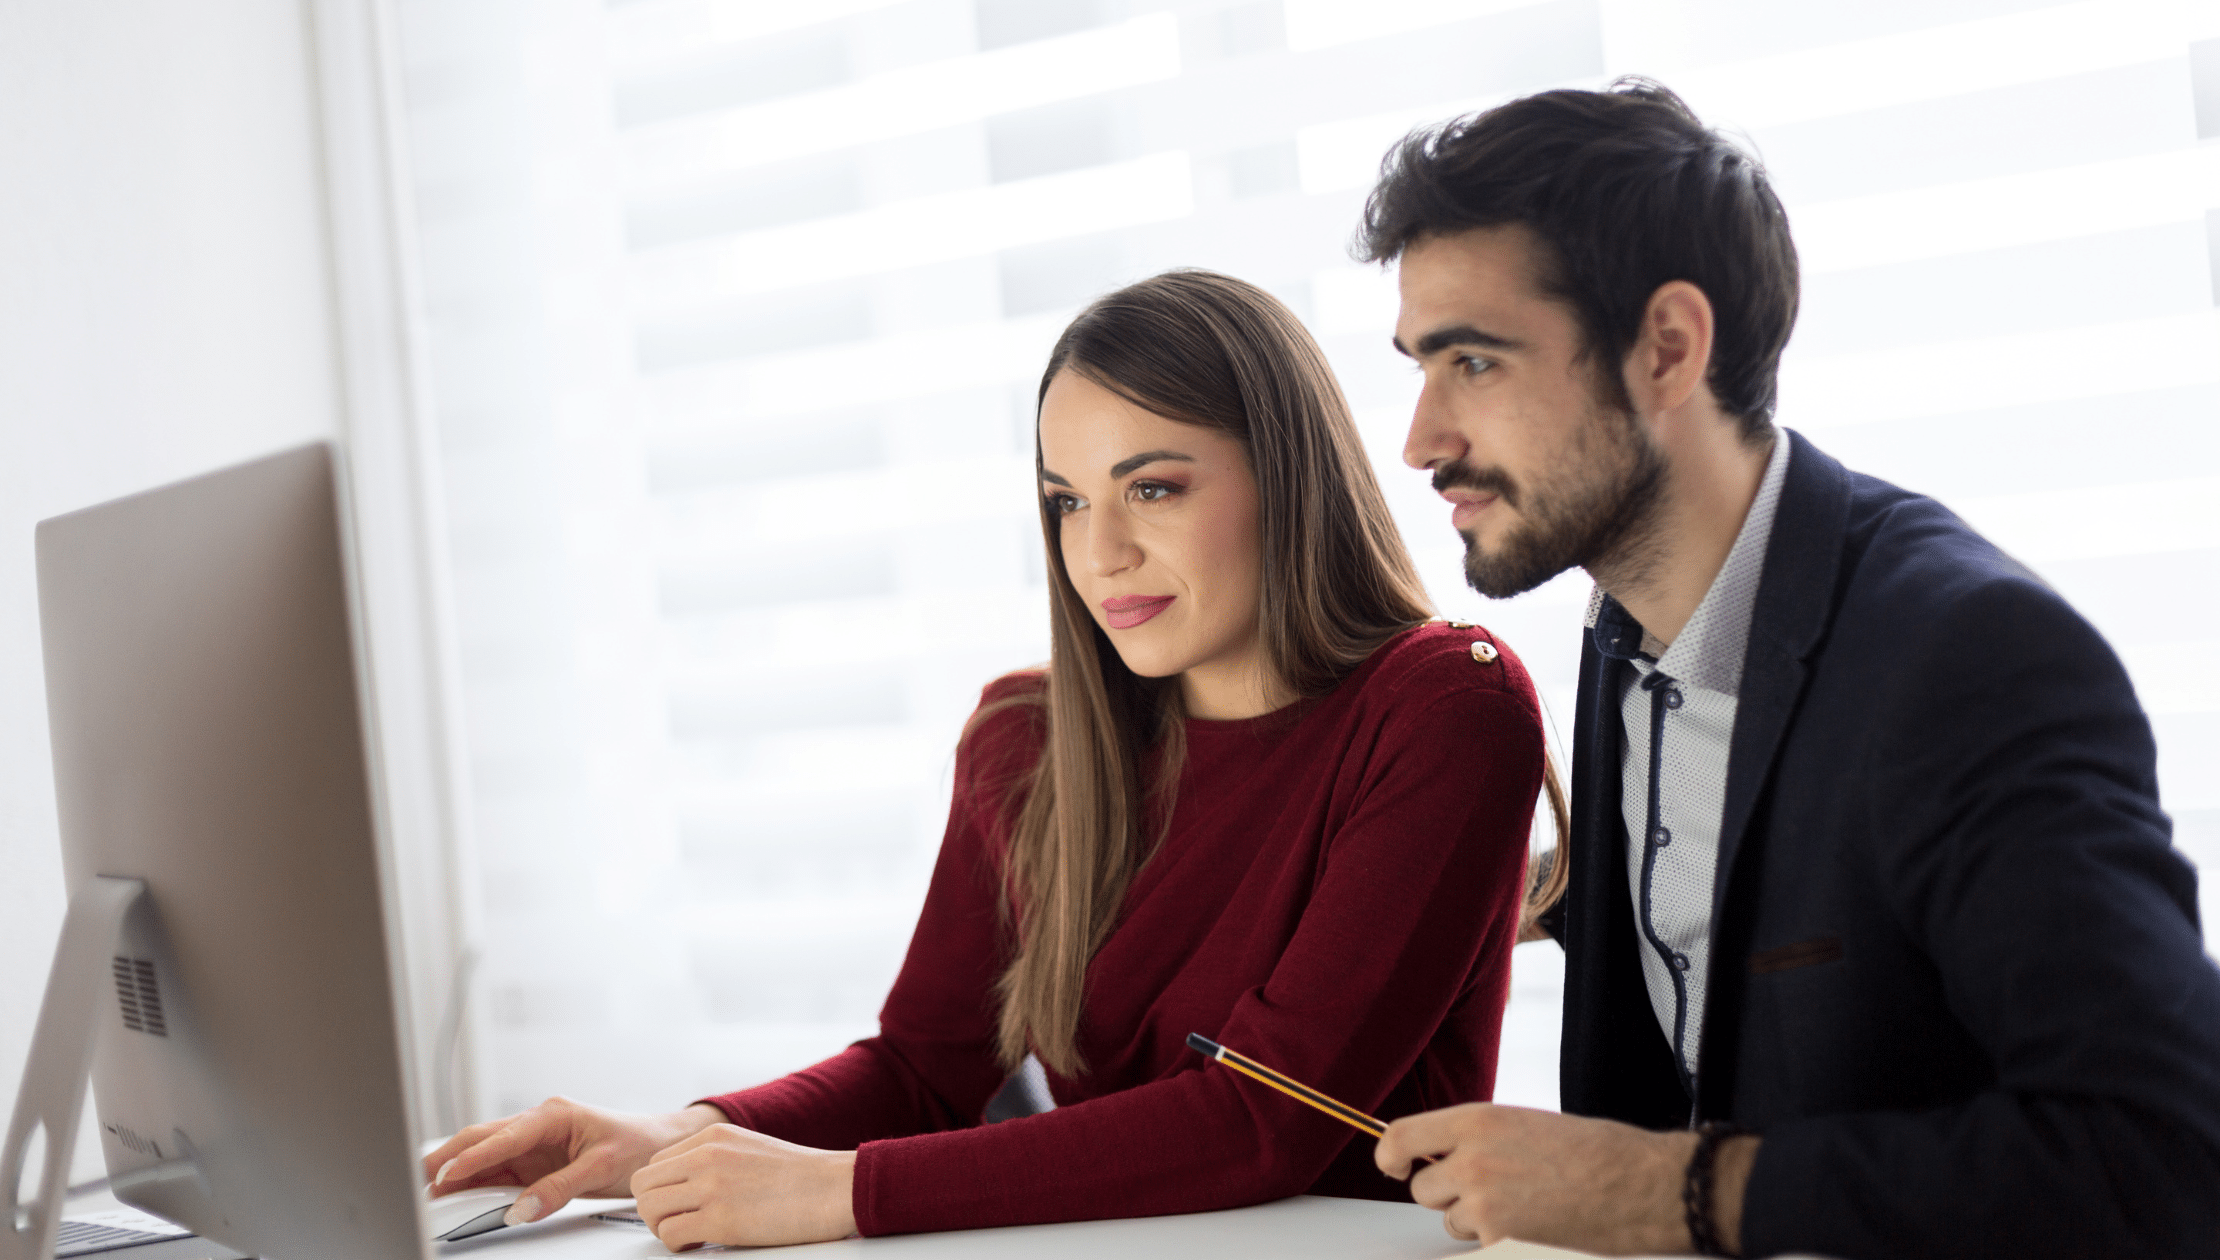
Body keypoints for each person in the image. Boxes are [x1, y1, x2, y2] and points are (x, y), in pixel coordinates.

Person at [420, 270, 1567, 1247]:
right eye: (1068, 501)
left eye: (1154, 487)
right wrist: (687, 1133)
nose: (1101, 550)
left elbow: (1265, 1121)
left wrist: (845, 1194)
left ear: (1289, 474)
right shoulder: (1027, 740)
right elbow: (927, 1068)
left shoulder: (1443, 706)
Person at [1359, 79, 2220, 1258]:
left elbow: (2169, 1152)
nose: (1422, 440)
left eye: (1475, 363)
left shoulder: (1966, 658)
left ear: (1667, 348)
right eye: (1419, 366)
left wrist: (1665, 1192)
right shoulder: (1623, 606)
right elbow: (1749, 849)